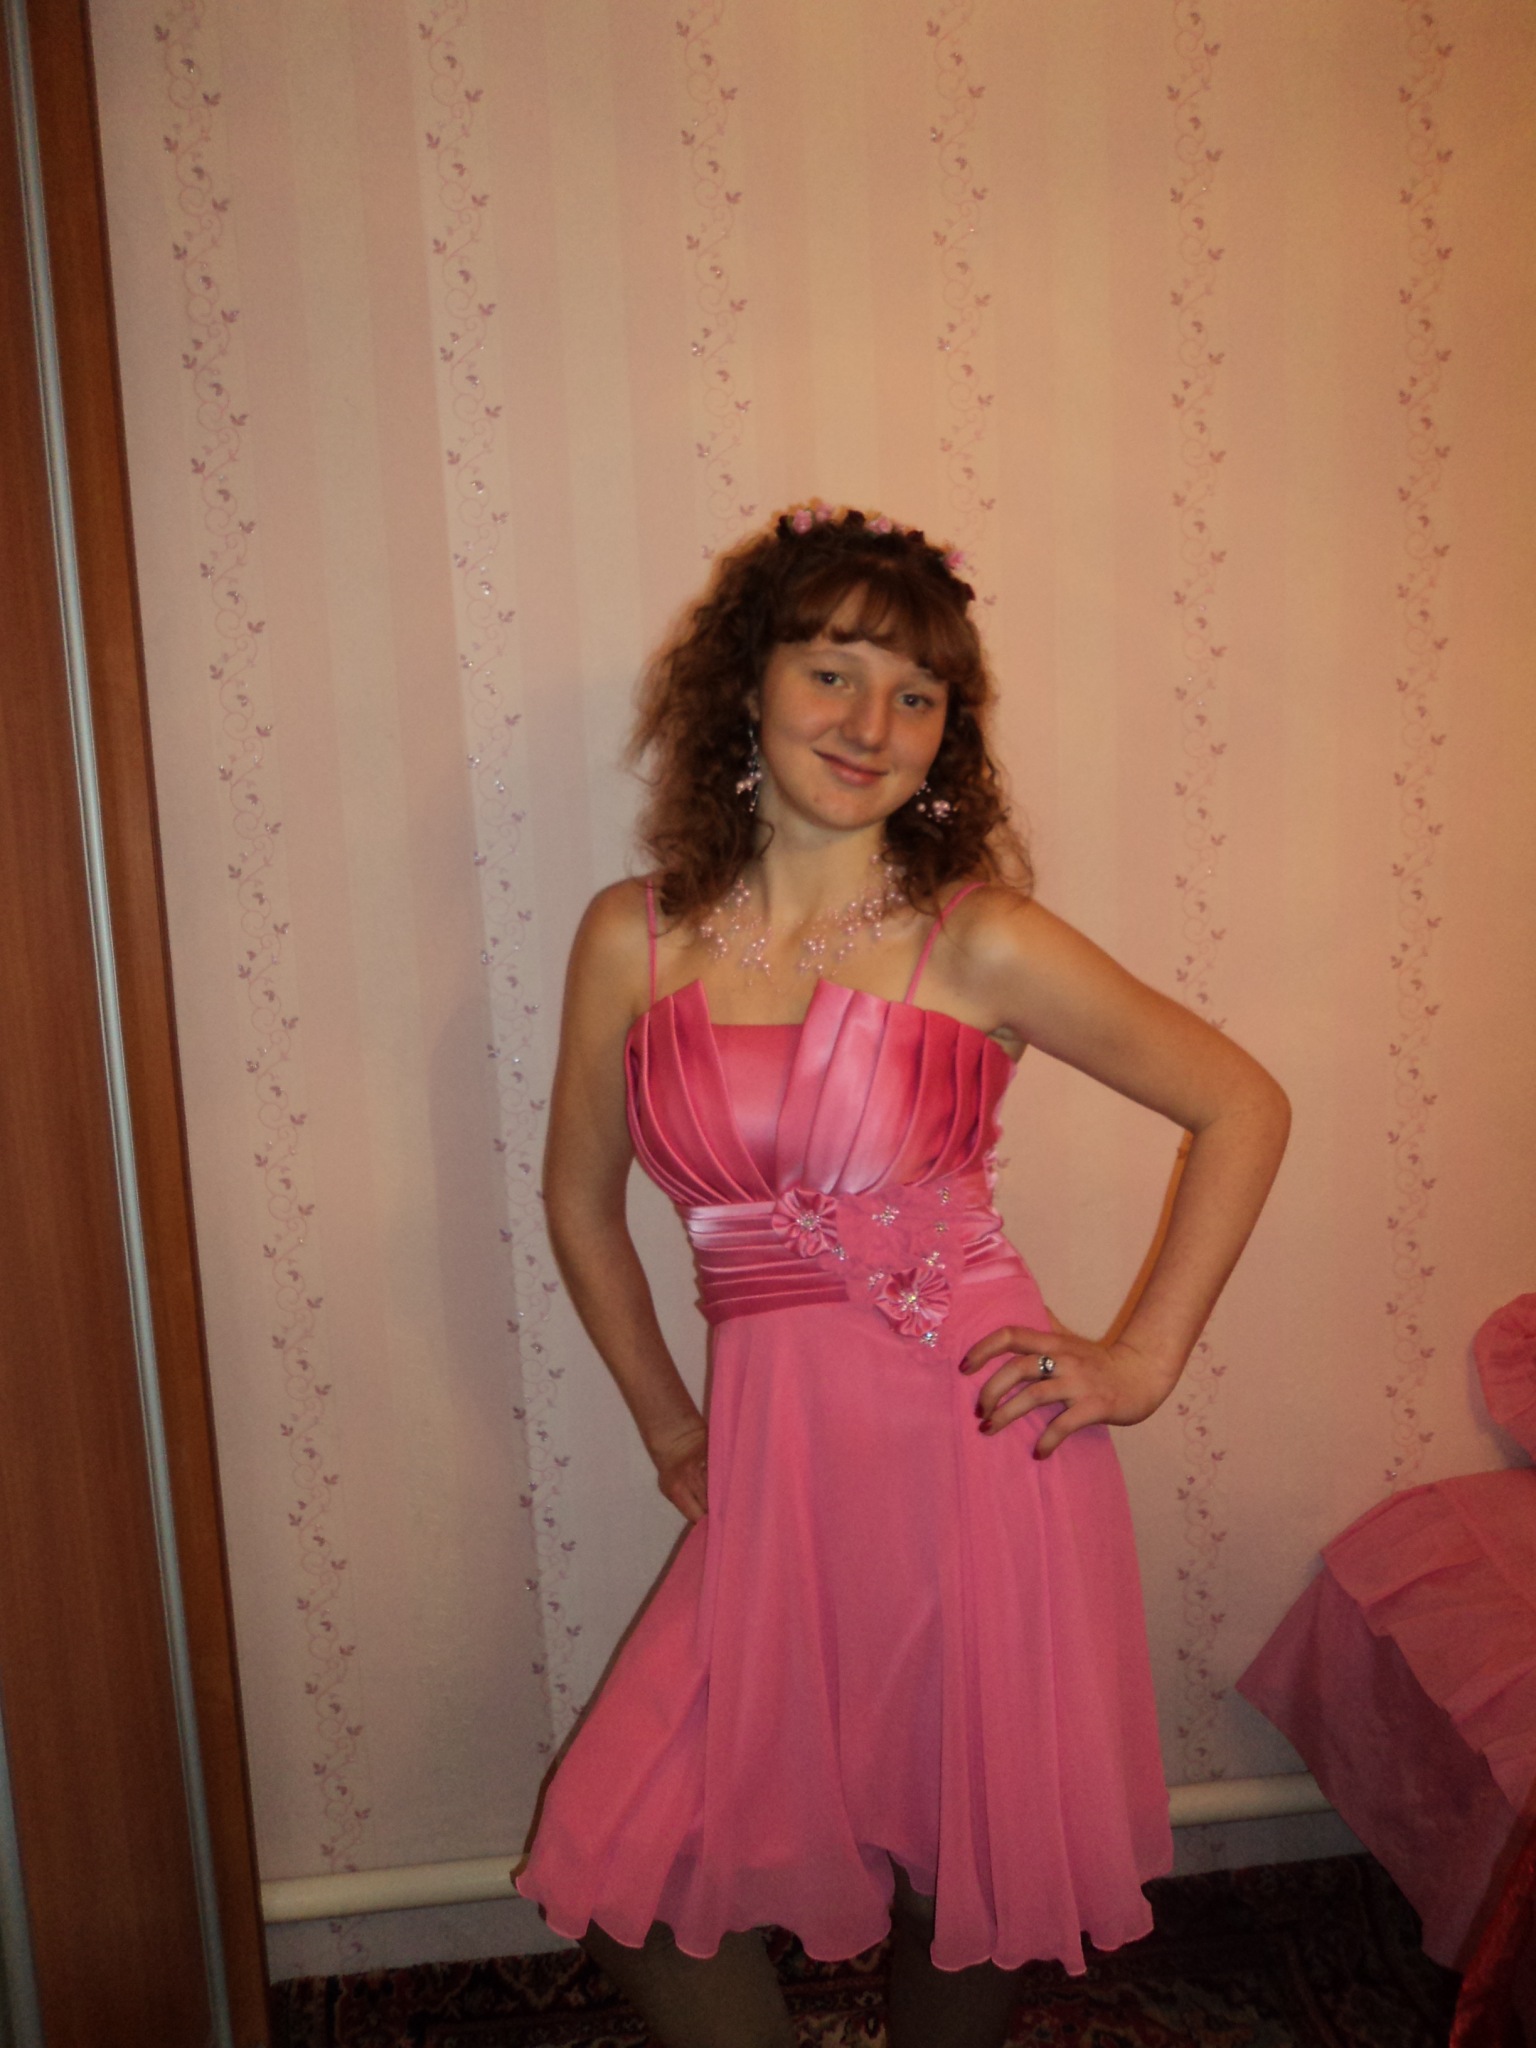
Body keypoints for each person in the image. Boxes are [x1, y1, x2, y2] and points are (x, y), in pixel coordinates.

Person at [514, 505, 1290, 2048]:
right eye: (833, 672)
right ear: (751, 684)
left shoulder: (979, 938)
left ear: (948, 733)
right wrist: (670, 1425)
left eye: (916, 695)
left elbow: (1241, 1105)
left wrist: (1139, 1359)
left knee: (963, 1856)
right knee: (618, 1859)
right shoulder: (633, 939)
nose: (871, 725)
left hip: (979, 1452)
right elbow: (580, 1204)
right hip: (775, 1470)